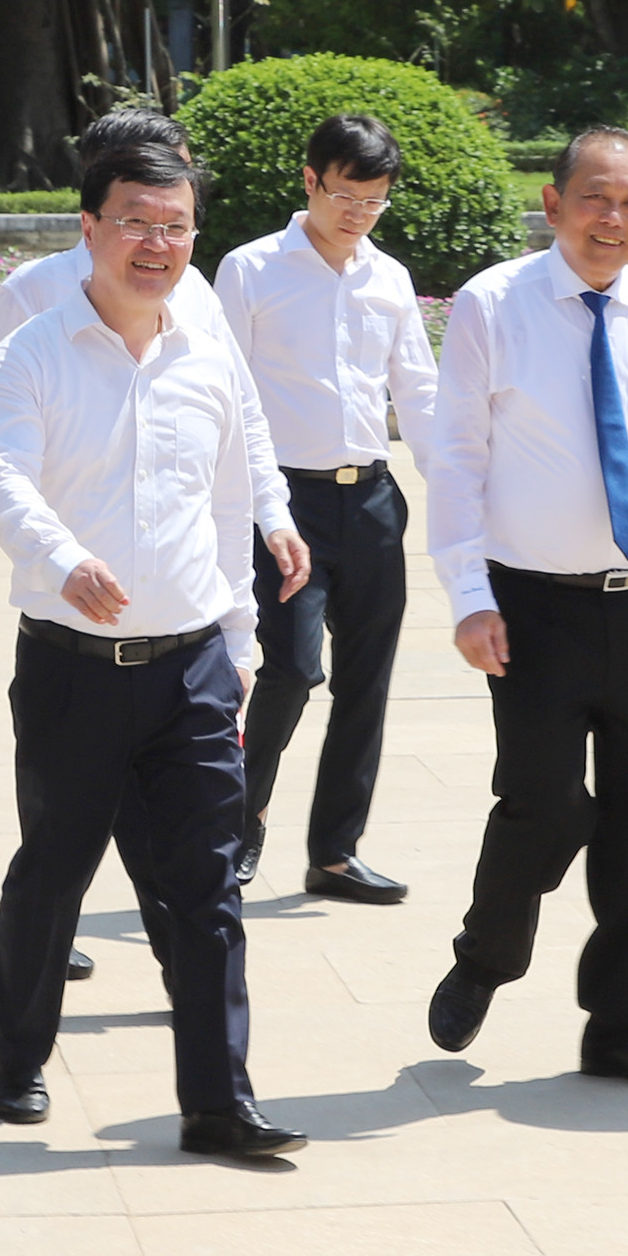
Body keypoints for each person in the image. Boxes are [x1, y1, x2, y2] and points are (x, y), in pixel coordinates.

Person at [0, 130, 310, 1157]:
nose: (154, 244)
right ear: (90, 230)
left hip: (194, 664)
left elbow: (227, 506)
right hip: (74, 667)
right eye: (134, 223)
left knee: (205, 884)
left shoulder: (207, 361)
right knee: (54, 868)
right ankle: (20, 1055)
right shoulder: (32, 348)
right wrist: (61, 555)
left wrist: (242, 643)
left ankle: (217, 1100)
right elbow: (0, 475)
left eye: (174, 227)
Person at [0, 106, 274, 982]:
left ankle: (190, 972)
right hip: (71, 617)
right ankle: (43, 973)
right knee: (69, 825)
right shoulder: (34, 296)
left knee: (176, 829)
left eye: (177, 209)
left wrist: (272, 514)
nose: (160, 235)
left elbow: (238, 429)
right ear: (93, 208)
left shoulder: (190, 292)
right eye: (139, 208)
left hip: (177, 618)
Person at [420, 126, 628, 1091]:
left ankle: (622, 1028)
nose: (614, 219)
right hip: (533, 611)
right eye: (596, 198)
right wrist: (469, 599)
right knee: (543, 803)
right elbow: (456, 459)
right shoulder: (494, 305)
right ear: (553, 205)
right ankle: (489, 953)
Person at [211, 111, 440, 902]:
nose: (359, 214)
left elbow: (419, 392)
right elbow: (223, 395)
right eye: (346, 196)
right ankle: (239, 825)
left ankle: (335, 853)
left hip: (372, 499)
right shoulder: (250, 270)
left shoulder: (390, 278)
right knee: (291, 671)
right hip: (281, 502)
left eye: (375, 200)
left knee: (366, 680)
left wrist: (460, 498)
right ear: (310, 181)